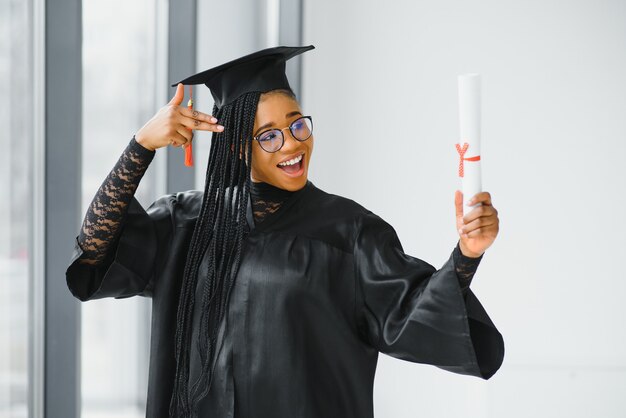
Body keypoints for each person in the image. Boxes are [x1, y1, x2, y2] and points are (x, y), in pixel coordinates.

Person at [65, 45, 504, 418]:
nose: (293, 143)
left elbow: (413, 315)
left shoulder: (348, 233)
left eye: (297, 124)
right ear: (236, 146)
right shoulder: (185, 225)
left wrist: (466, 254)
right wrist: (140, 146)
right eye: (269, 136)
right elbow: (96, 247)